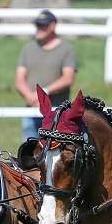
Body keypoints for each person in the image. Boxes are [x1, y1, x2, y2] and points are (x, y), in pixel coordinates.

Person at [15, 10, 78, 140]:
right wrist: (31, 97)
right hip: (31, 111)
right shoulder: (28, 49)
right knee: (29, 154)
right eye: (37, 25)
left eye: (42, 25)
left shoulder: (67, 49)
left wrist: (42, 94)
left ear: (53, 26)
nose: (38, 29)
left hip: (57, 112)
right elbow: (19, 79)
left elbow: (68, 78)